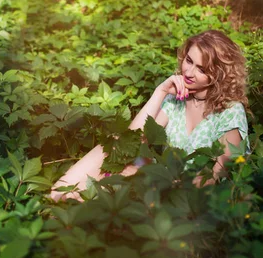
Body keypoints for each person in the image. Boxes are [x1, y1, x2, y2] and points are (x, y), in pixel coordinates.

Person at [49, 30, 249, 201]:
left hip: (194, 195)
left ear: (218, 75)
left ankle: (83, 200)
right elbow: (132, 139)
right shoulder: (176, 98)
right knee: (114, 145)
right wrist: (160, 92)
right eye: (189, 60)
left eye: (202, 69)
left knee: (133, 174)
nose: (188, 72)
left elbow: (217, 175)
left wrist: (155, 180)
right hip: (161, 178)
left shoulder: (231, 112)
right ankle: (63, 193)